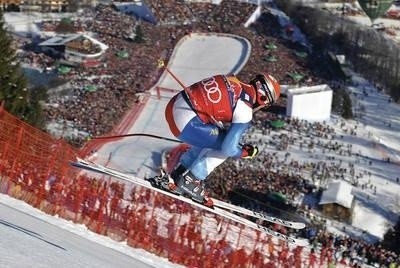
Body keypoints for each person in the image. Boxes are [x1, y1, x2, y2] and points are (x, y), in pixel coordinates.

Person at [162, 73, 280, 207]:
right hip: (186, 122)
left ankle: (180, 173)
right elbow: (228, 148)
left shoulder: (231, 79)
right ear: (263, 98)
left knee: (216, 133)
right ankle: (191, 179)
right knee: (225, 148)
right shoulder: (245, 109)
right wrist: (243, 153)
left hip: (172, 107)